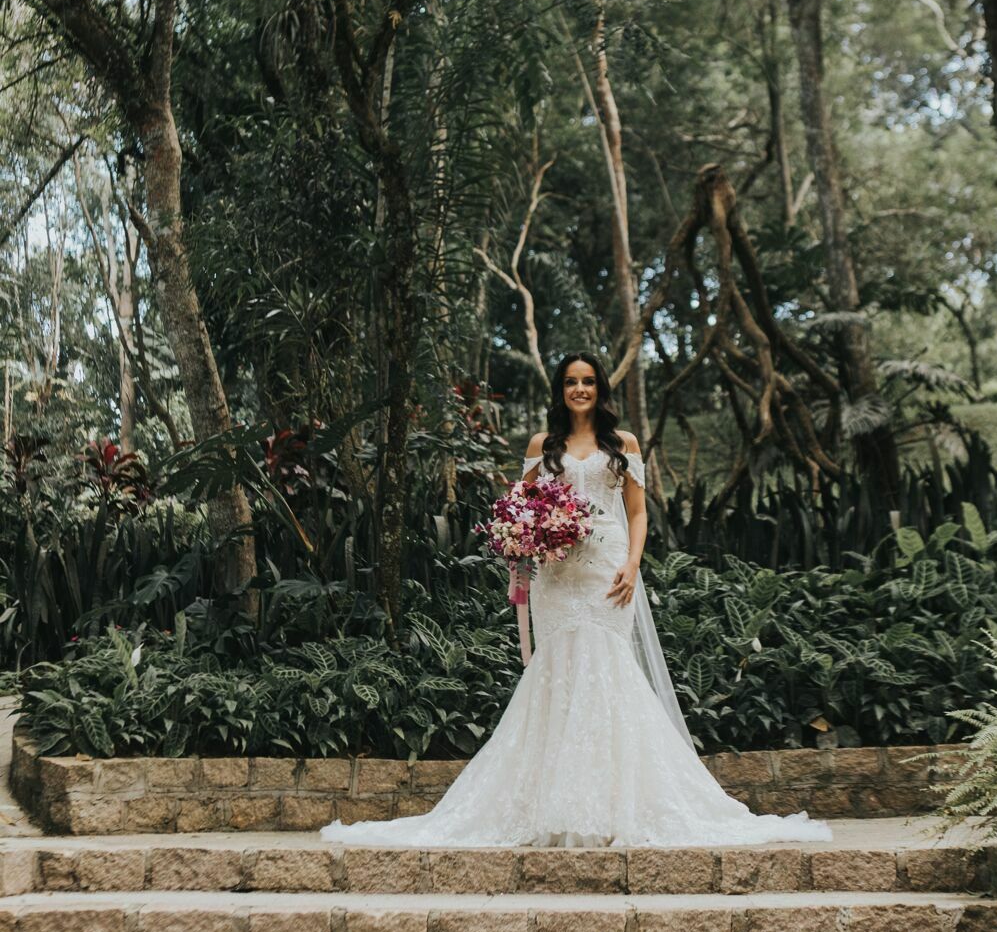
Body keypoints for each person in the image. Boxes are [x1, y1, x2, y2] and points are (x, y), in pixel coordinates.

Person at [322, 352, 832, 848]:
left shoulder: (623, 443)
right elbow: (515, 508)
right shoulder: (543, 445)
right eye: (571, 381)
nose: (580, 389)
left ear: (600, 388)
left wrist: (632, 565)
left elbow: (637, 513)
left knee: (608, 669)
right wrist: (524, 537)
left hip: (607, 567)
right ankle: (551, 802)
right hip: (556, 574)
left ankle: (614, 803)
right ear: (560, 390)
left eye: (588, 381)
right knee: (559, 672)